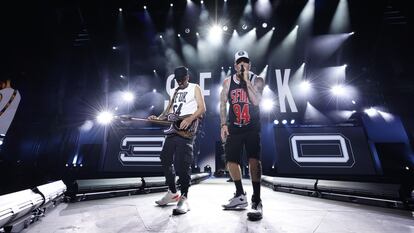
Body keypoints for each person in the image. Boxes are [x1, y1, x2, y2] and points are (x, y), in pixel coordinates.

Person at [148, 66, 206, 215]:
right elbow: (168, 110)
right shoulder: (174, 91)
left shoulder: (195, 87)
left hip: (187, 128)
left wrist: (190, 118)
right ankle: (173, 192)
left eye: (182, 79)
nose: (180, 82)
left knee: (182, 163)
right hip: (174, 127)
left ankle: (184, 197)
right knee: (165, 158)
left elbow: (202, 108)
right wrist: (158, 118)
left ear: (188, 77)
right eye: (178, 80)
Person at [220, 51, 265, 220]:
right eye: (239, 62)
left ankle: (257, 200)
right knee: (231, 161)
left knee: (254, 161)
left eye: (245, 62)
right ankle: (240, 195)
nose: (242, 65)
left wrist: (246, 80)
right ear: (234, 65)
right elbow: (222, 103)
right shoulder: (227, 82)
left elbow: (256, 101)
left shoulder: (257, 79)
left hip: (252, 127)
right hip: (235, 127)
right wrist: (223, 124)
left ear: (250, 65)